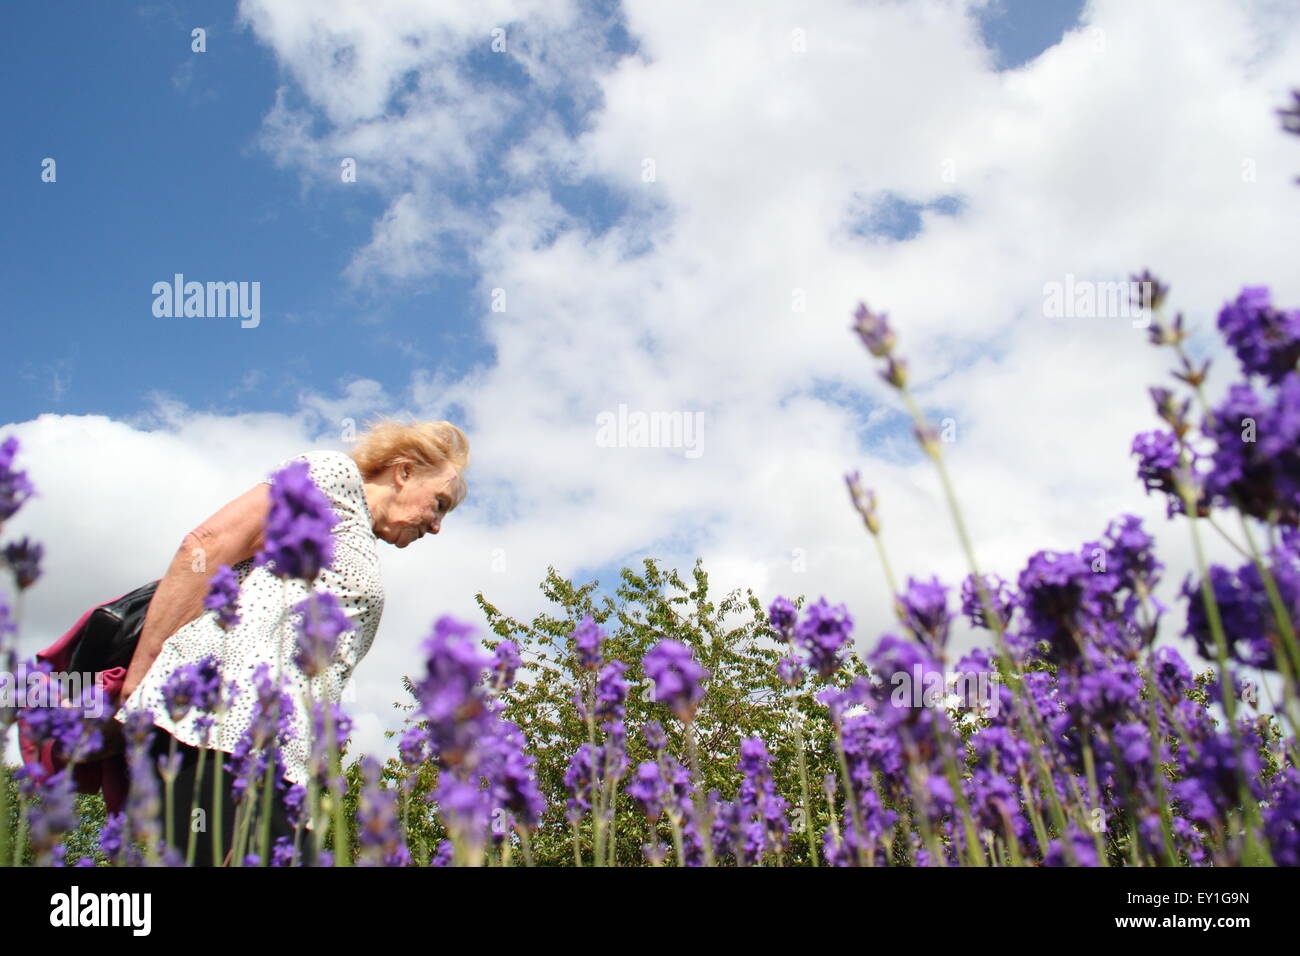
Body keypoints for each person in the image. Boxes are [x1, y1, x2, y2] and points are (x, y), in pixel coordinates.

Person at [108, 419, 469, 865]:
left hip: (281, 755)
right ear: (404, 471)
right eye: (439, 504)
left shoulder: (355, 528)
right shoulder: (331, 477)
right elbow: (206, 545)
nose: (436, 527)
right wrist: (141, 672)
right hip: (220, 730)